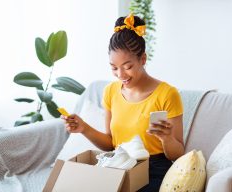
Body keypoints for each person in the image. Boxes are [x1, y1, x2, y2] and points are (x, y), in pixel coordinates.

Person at [62, 13, 184, 192]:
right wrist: (84, 128)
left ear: (143, 59)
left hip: (154, 169)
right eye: (114, 67)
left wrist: (166, 138)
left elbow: (178, 153)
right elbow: (111, 144)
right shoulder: (111, 91)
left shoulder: (167, 94)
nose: (121, 75)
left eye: (127, 67)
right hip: (118, 163)